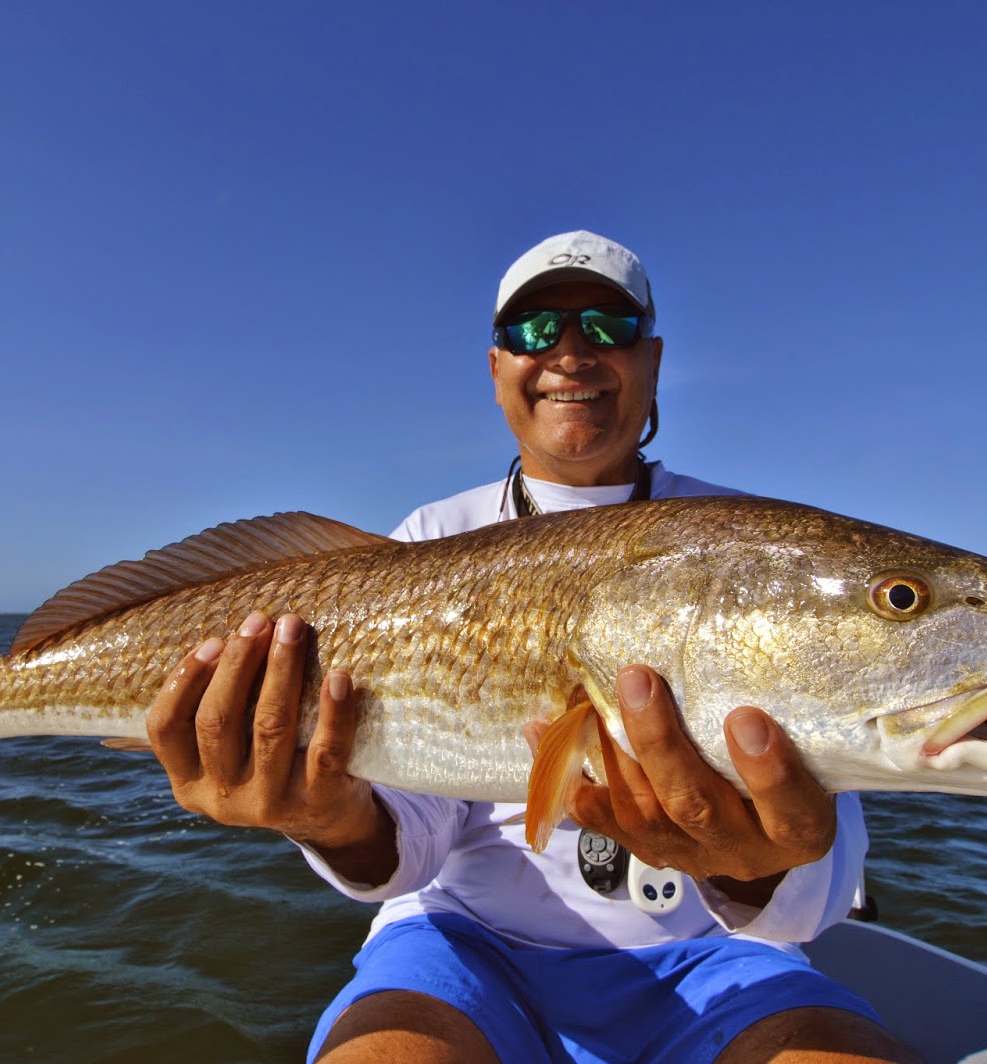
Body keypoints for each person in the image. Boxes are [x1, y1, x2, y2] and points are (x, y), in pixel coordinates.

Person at [145, 232, 920, 1063]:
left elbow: (812, 897)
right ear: (496, 368)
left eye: (607, 325)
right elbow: (413, 841)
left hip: (723, 958)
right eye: (535, 331)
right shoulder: (429, 539)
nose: (572, 352)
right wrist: (331, 821)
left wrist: (759, 868)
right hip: (463, 944)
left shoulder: (749, 543)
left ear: (653, 362)